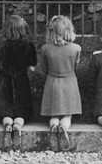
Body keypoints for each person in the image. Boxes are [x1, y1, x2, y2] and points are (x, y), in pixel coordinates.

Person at [0, 15, 37, 149]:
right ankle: (18, 126)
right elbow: (33, 66)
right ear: (23, 29)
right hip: (21, 79)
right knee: (21, 109)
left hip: (3, 80)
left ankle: (8, 125)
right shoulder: (28, 45)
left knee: (5, 110)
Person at [39, 15, 81, 151]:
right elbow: (76, 66)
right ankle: (63, 127)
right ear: (69, 30)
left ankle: (54, 127)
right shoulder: (76, 48)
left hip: (52, 83)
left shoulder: (45, 48)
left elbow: (44, 69)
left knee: (54, 115)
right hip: (69, 83)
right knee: (67, 115)